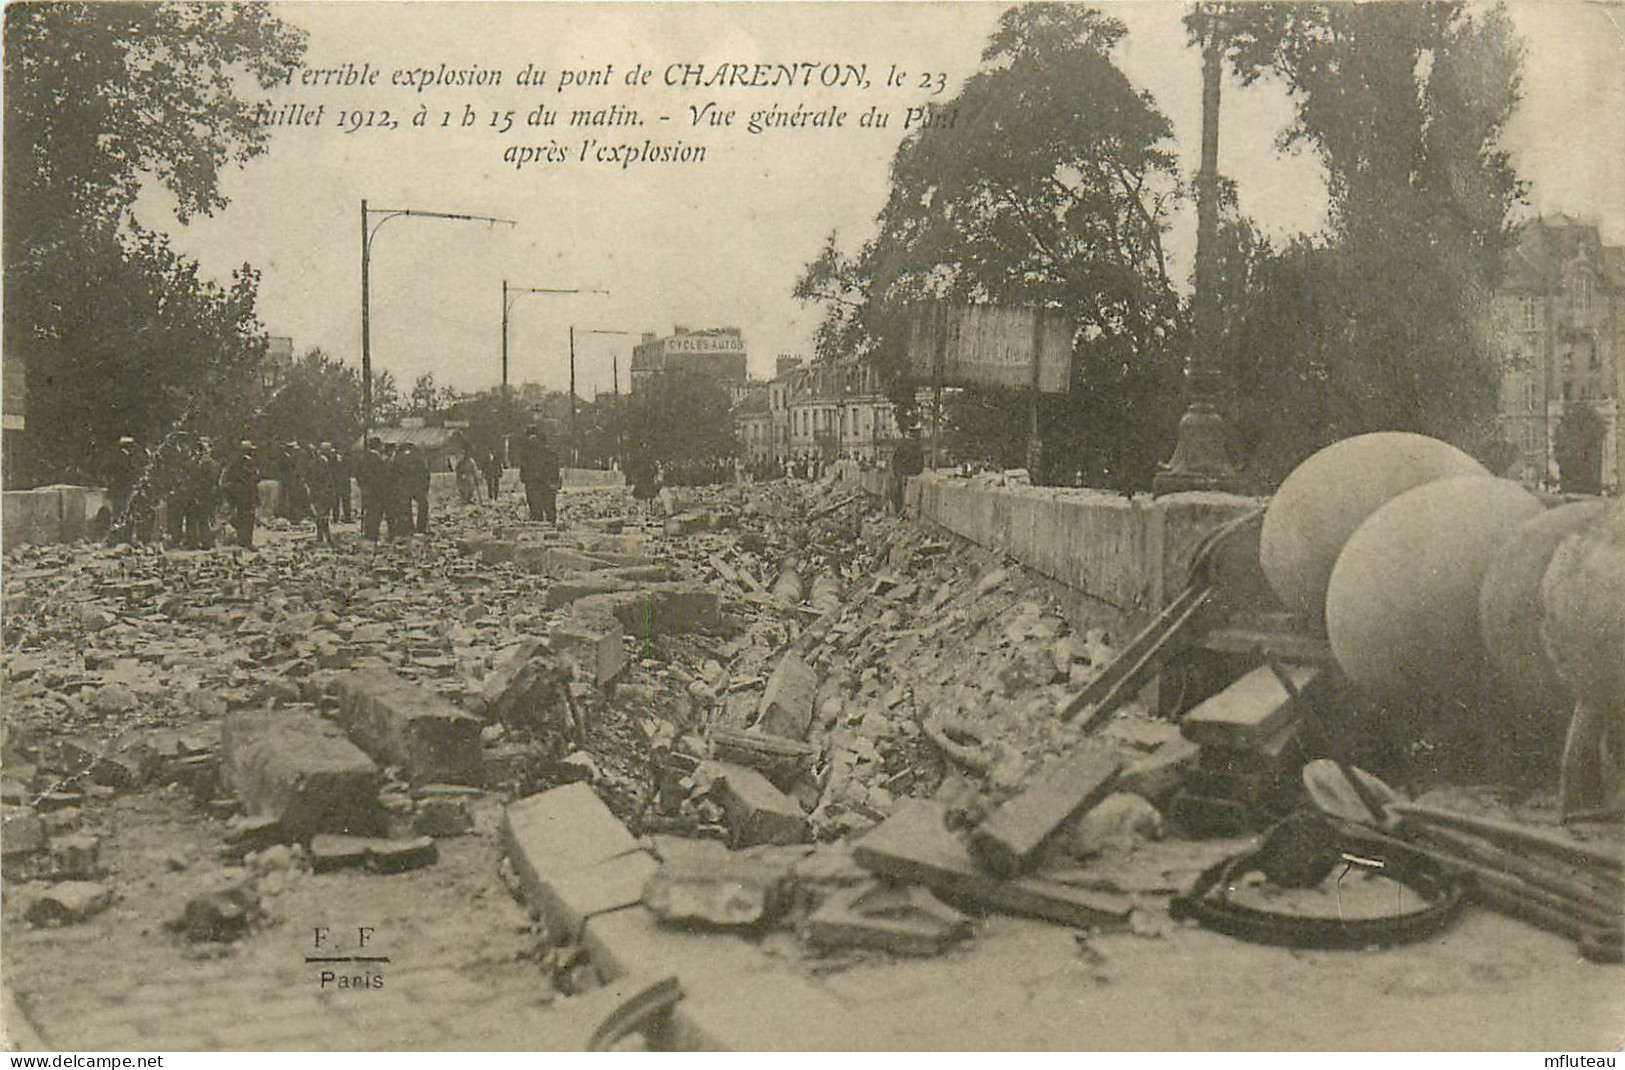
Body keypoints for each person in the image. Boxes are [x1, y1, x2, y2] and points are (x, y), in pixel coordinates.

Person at [518, 427, 561, 524]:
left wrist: (525, 478)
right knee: (547, 509)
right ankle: (549, 527)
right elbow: (555, 467)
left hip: (536, 484)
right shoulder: (548, 451)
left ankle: (542, 527)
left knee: (538, 509)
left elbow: (523, 469)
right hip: (542, 484)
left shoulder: (527, 452)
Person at [220, 440, 258, 548]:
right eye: (250, 450)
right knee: (247, 518)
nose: (252, 452)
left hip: (243, 494)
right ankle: (245, 542)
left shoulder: (235, 461)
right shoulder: (243, 462)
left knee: (244, 517)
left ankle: (243, 540)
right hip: (244, 494)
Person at [357, 437, 387, 540]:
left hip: (368, 490)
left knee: (369, 512)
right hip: (377, 490)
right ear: (378, 446)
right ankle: (372, 534)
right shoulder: (377, 459)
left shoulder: (364, 457)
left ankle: (369, 532)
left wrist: (362, 486)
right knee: (375, 512)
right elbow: (380, 476)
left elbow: (359, 474)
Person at [890, 427, 924, 516]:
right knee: (901, 492)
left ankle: (902, 511)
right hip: (907, 473)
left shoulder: (910, 446)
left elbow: (894, 461)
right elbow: (895, 460)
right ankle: (902, 511)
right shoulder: (912, 446)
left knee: (901, 492)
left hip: (907, 473)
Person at [399, 442, 431, 533]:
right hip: (416, 487)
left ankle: (412, 527)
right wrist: (425, 487)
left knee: (408, 507)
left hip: (410, 487)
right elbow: (426, 475)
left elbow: (426, 474)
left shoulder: (403, 459)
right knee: (421, 506)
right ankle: (419, 527)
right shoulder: (420, 460)